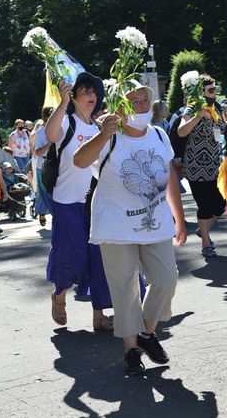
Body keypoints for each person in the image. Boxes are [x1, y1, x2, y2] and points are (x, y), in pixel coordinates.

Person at [73, 80, 187, 375]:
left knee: (166, 280)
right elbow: (79, 160)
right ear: (121, 107)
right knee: (125, 290)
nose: (142, 105)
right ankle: (131, 350)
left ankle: (147, 334)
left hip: (156, 224)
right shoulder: (109, 136)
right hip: (115, 226)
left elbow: (171, 177)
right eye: (134, 101)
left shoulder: (160, 135)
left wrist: (180, 219)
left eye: (145, 100)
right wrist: (103, 133)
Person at [45, 72, 114, 332]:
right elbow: (52, 136)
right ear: (74, 98)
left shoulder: (98, 127)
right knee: (70, 256)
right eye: (85, 91)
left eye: (94, 92)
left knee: (97, 258)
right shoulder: (67, 122)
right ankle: (59, 296)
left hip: (93, 204)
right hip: (66, 202)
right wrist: (62, 103)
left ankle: (99, 317)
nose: (92, 96)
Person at [178, 74, 226, 258]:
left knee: (220, 205)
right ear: (201, 92)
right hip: (196, 167)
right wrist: (198, 116)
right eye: (211, 90)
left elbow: (222, 132)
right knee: (205, 206)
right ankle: (206, 242)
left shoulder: (217, 107)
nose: (215, 93)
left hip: (215, 166)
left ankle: (202, 229)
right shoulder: (191, 108)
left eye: (215, 89)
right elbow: (182, 132)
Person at [34, 108, 53, 226]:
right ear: (46, 117)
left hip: (57, 165)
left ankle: (56, 215)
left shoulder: (61, 129)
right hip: (43, 165)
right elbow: (38, 152)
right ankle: (43, 213)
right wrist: (49, 143)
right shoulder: (41, 132)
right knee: (45, 193)